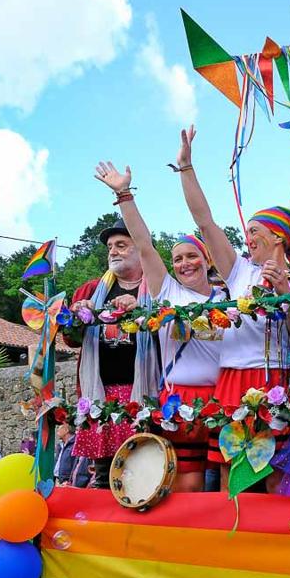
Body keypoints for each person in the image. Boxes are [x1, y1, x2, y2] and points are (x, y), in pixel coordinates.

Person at [173, 126, 290, 490]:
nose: (247, 237)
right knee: (233, 478)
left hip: (279, 379)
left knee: (277, 475)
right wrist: (186, 168)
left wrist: (285, 294)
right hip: (233, 378)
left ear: (279, 236)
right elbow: (205, 222)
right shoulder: (238, 270)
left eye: (254, 230)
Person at [95, 160, 226, 492]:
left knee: (224, 485)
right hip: (178, 400)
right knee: (189, 485)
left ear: (207, 259)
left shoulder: (229, 295)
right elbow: (143, 244)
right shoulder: (167, 291)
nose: (184, 263)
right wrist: (124, 194)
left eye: (192, 256)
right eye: (178, 258)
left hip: (224, 399)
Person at [69, 218, 161, 488]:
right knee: (102, 475)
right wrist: (76, 316)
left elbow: (169, 337)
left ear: (141, 249)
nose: (113, 251)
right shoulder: (91, 290)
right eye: (110, 246)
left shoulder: (156, 288)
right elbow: (71, 340)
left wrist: (142, 310)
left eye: (121, 245)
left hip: (142, 391)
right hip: (101, 392)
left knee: (141, 471)